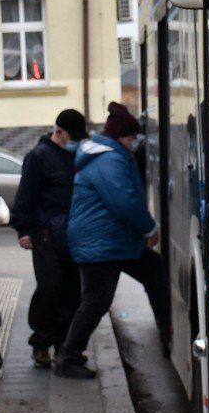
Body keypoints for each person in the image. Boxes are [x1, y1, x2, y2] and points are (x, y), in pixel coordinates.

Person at [53, 103, 171, 379]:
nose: (135, 142)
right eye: (132, 137)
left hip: (113, 242)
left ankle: (167, 328)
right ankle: (67, 358)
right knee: (96, 302)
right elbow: (124, 201)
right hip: (101, 245)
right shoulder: (109, 160)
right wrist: (149, 228)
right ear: (121, 137)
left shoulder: (110, 155)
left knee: (154, 271)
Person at [12, 108, 88, 368]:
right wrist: (23, 230)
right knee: (49, 289)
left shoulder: (75, 155)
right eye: (71, 136)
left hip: (72, 235)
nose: (76, 141)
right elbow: (25, 196)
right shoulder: (39, 157)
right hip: (45, 236)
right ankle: (41, 343)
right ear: (58, 132)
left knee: (72, 292)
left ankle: (64, 346)